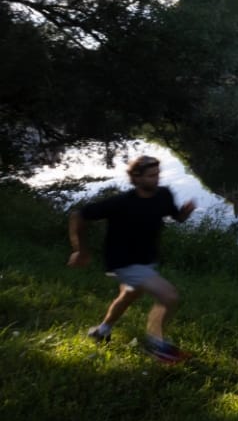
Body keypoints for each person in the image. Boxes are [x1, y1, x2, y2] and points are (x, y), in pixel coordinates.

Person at [68, 155, 196, 362]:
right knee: (169, 297)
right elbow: (78, 215)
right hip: (123, 262)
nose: (156, 179)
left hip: (147, 259)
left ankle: (101, 331)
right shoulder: (120, 203)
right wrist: (80, 250)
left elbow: (177, 218)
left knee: (128, 296)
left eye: (157, 174)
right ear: (136, 178)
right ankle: (157, 345)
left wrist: (185, 213)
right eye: (150, 176)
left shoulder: (163, 195)